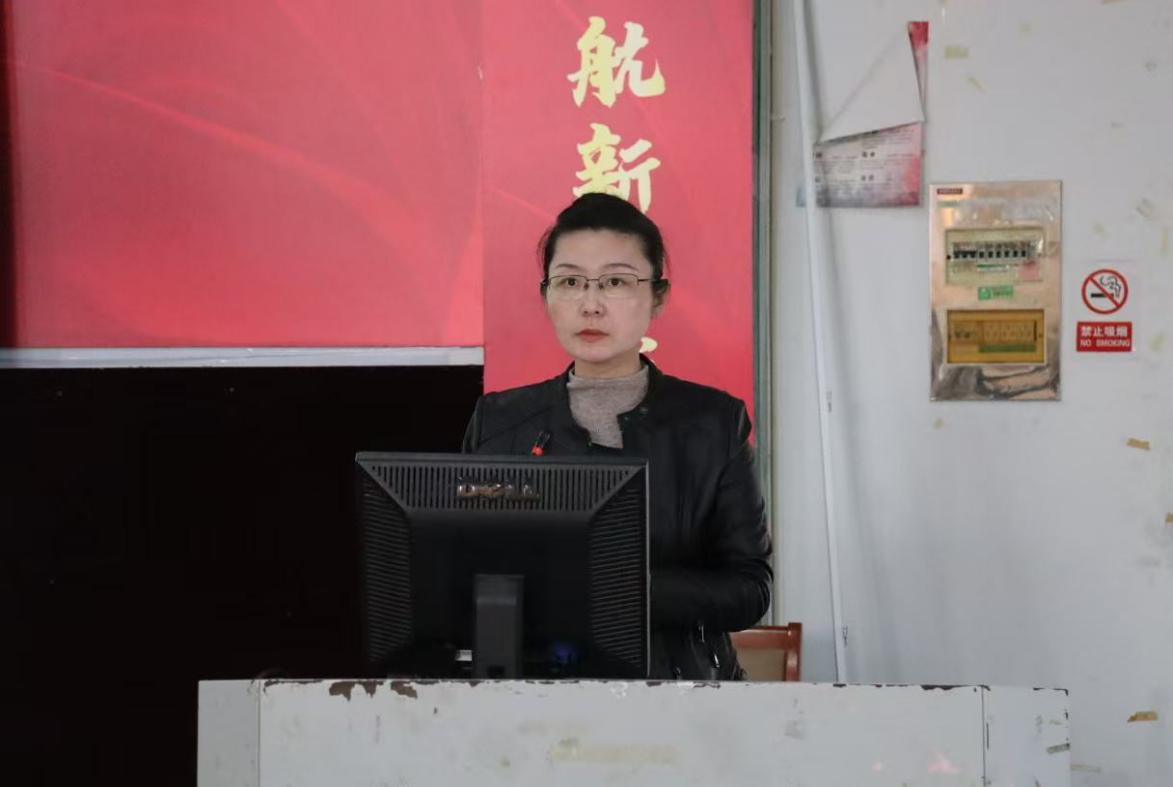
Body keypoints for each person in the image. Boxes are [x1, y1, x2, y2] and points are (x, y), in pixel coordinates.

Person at [462, 192, 772, 680]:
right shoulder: (500, 422)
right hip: (536, 691)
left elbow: (750, 588)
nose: (590, 305)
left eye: (615, 282)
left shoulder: (714, 422)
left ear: (658, 297)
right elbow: (464, 571)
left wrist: (621, 589)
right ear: (546, 296)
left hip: (678, 688)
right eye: (570, 282)